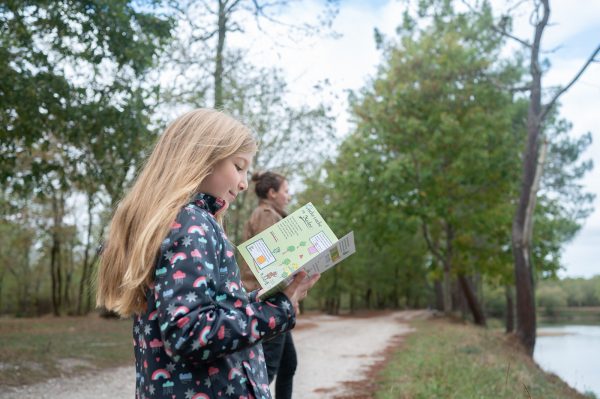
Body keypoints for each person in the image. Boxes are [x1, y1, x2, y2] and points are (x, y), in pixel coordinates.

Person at [96, 108, 319, 399]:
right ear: (201, 159)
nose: (242, 183)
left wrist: (271, 298)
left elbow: (202, 310)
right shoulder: (191, 222)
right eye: (238, 166)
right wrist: (279, 308)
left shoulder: (175, 221)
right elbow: (189, 332)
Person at [240, 171, 296, 399]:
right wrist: (286, 298)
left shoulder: (272, 214)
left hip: (273, 300)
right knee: (267, 371)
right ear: (272, 193)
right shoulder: (266, 215)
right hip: (268, 301)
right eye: (285, 191)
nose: (289, 196)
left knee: (287, 365)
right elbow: (268, 264)